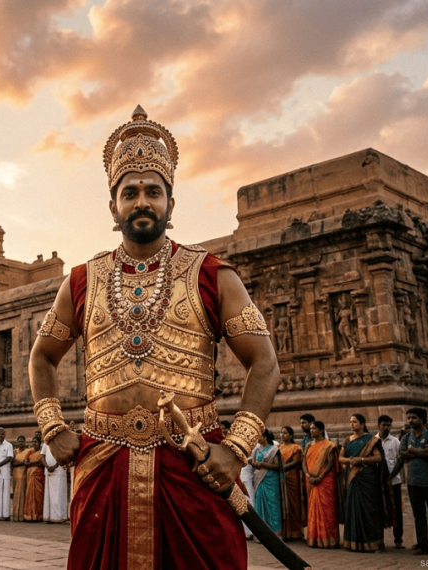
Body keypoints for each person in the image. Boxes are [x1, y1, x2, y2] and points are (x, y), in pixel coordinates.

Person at [28, 106, 280, 569]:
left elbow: (264, 361)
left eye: (153, 192)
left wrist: (237, 448)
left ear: (170, 203)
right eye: (130, 193)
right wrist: (53, 428)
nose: (142, 201)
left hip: (194, 459)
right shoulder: (82, 281)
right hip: (104, 461)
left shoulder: (210, 274)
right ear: (113, 206)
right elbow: (42, 356)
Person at [391, 407, 428, 556]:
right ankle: (423, 545)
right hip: (413, 482)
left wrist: (413, 450)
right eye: (408, 418)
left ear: (422, 419)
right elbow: (402, 453)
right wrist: (420, 451)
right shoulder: (407, 437)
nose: (410, 421)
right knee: (419, 515)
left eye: (413, 418)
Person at [340, 413, 392, 552]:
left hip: (368, 479)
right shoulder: (347, 440)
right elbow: (340, 458)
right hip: (353, 479)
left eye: (355, 422)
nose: (352, 424)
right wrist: (350, 460)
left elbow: (378, 458)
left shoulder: (371, 440)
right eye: (350, 422)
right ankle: (353, 542)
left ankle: (373, 543)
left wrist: (361, 460)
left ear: (362, 424)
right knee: (353, 509)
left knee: (369, 510)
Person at [303, 420, 339, 548]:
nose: (311, 431)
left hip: (325, 481)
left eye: (314, 429)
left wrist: (320, 477)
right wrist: (308, 475)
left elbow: (331, 463)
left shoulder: (329, 445)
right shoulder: (308, 446)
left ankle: (329, 539)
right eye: (311, 429)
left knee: (327, 510)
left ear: (321, 430)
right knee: (312, 509)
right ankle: (314, 538)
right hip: (311, 480)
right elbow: (303, 462)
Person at [377, 414, 404, 549]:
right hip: (377, 482)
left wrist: (391, 476)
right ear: (378, 426)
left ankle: (398, 539)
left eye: (389, 425)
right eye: (384, 425)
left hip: (394, 481)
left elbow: (401, 459)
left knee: (396, 510)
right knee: (378, 510)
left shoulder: (395, 441)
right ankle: (379, 540)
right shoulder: (373, 441)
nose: (386, 427)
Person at [250, 429, 282, 535]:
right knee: (259, 504)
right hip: (259, 480)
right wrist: (253, 463)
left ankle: (275, 532)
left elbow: (277, 466)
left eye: (259, 436)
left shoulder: (273, 449)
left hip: (271, 480)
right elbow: (255, 464)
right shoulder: (257, 450)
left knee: (272, 504)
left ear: (265, 437)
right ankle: (262, 533)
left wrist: (262, 465)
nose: (257, 439)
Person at [279, 426, 304, 540]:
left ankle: (296, 532)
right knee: (284, 504)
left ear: (291, 435)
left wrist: (280, 468)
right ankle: (286, 532)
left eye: (285, 433)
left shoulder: (296, 448)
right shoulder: (279, 448)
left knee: (294, 504)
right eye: (281, 433)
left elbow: (296, 462)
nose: (282, 435)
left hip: (292, 478)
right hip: (281, 478)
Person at [43, 435, 68, 523]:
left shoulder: (62, 441)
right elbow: (43, 455)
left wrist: (54, 466)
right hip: (48, 471)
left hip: (59, 471)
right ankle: (49, 516)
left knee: (58, 495)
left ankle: (59, 517)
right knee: (49, 495)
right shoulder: (46, 442)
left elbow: (63, 456)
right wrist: (47, 466)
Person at [11, 435, 33, 521]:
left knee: (24, 493)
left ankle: (23, 515)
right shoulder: (14, 451)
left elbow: (28, 462)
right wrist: (22, 463)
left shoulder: (28, 451)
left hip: (24, 474)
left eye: (22, 441)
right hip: (16, 474)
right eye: (19, 441)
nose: (20, 443)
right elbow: (12, 463)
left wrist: (20, 463)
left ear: (25, 442)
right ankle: (16, 515)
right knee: (16, 494)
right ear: (17, 443)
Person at [24, 437, 45, 521]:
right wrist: (34, 463)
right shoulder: (30, 452)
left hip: (39, 476)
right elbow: (25, 463)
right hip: (30, 475)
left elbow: (42, 463)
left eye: (36, 442)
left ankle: (38, 516)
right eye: (33, 442)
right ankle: (29, 515)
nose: (34, 443)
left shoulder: (42, 452)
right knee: (29, 494)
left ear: (40, 443)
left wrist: (31, 463)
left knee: (38, 495)